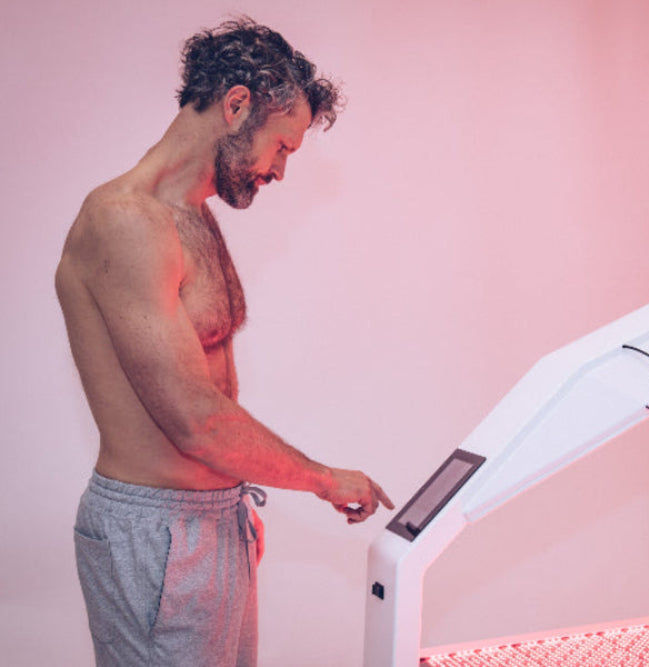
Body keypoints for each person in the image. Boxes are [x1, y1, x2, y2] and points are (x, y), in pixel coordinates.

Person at [55, 17, 394, 666]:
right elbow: (195, 421)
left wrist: (232, 505)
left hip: (217, 519)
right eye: (282, 147)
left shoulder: (195, 217)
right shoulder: (125, 221)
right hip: (155, 532)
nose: (281, 170)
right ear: (237, 104)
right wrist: (321, 479)